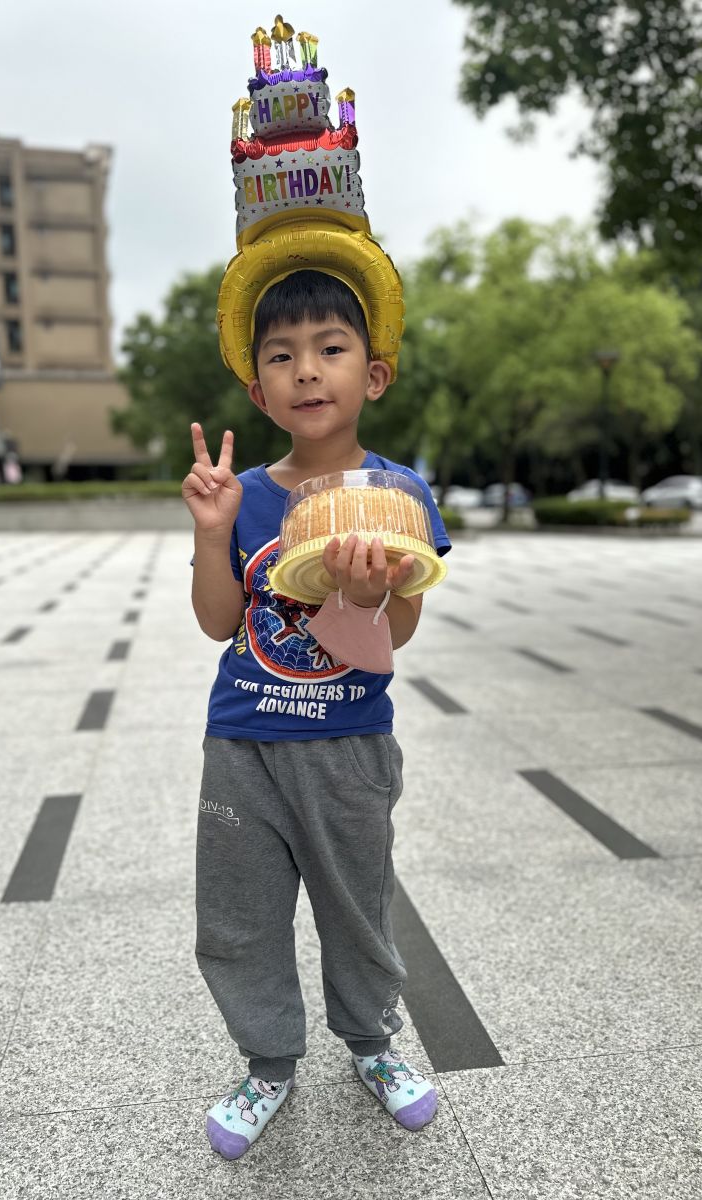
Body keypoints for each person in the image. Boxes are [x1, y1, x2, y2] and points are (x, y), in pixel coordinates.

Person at [183, 269, 451, 1160]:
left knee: (358, 908)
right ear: (258, 390)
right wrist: (213, 532)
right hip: (244, 743)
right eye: (282, 356)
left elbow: (398, 633)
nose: (306, 369)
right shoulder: (245, 495)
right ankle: (267, 1063)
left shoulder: (400, 492)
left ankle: (373, 1044)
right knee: (239, 915)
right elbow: (218, 620)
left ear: (373, 375)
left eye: (330, 349)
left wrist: (370, 596)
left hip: (349, 745)